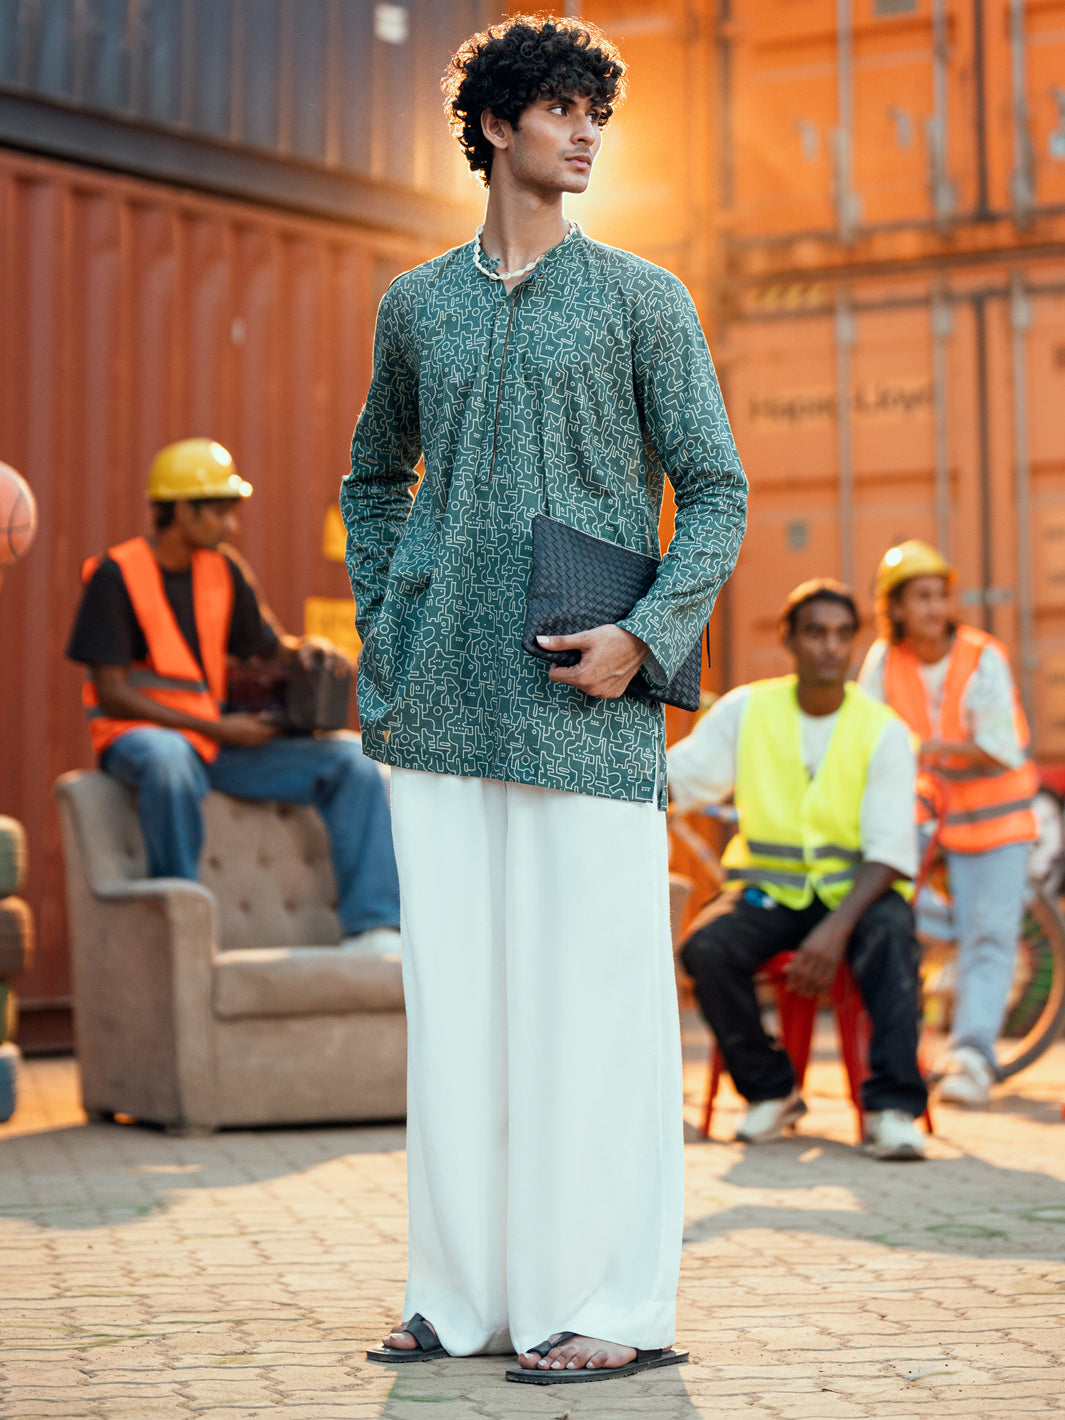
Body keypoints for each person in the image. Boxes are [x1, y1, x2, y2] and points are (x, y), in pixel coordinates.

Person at [342, 15, 746, 1385]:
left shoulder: (643, 298)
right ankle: (459, 1300)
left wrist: (646, 636)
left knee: (595, 1012)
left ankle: (615, 1304)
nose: (584, 134)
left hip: (587, 707)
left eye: (597, 114)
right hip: (438, 705)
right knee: (459, 1015)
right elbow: (371, 476)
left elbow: (717, 491)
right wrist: (390, 617)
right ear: (495, 124)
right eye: (562, 108)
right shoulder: (416, 306)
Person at [66, 437, 401, 952]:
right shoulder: (115, 576)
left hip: (218, 745)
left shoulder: (223, 570)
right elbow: (111, 693)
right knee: (169, 761)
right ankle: (182, 931)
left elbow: (269, 645)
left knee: (353, 760)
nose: (231, 525)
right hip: (143, 737)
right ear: (182, 510)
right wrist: (218, 728)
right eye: (220, 511)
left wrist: (308, 648)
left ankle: (374, 929)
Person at [671, 581, 929, 1160]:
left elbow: (890, 851)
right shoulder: (747, 711)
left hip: (857, 894)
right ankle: (772, 1089)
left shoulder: (883, 730)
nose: (830, 646)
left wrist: (833, 931)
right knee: (705, 950)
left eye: (842, 634)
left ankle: (892, 1109)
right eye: (815, 632)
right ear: (788, 639)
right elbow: (681, 779)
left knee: (893, 935)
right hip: (768, 892)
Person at [860, 540, 1038, 1106]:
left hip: (995, 825)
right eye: (921, 597)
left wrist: (921, 749)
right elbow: (863, 737)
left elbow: (1000, 748)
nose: (935, 608)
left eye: (940, 596)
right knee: (895, 913)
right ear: (896, 607)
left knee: (988, 935)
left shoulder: (982, 656)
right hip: (926, 821)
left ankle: (972, 1058)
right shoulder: (884, 662)